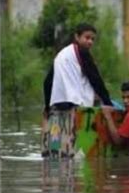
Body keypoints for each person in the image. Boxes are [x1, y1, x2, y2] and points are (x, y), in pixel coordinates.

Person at [42, 23, 113, 158]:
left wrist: (47, 107)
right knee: (78, 152)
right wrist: (107, 102)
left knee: (56, 149)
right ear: (77, 36)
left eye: (92, 39)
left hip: (57, 106)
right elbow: (95, 79)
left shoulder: (61, 55)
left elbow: (47, 82)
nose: (90, 42)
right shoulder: (82, 52)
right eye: (87, 38)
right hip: (76, 106)